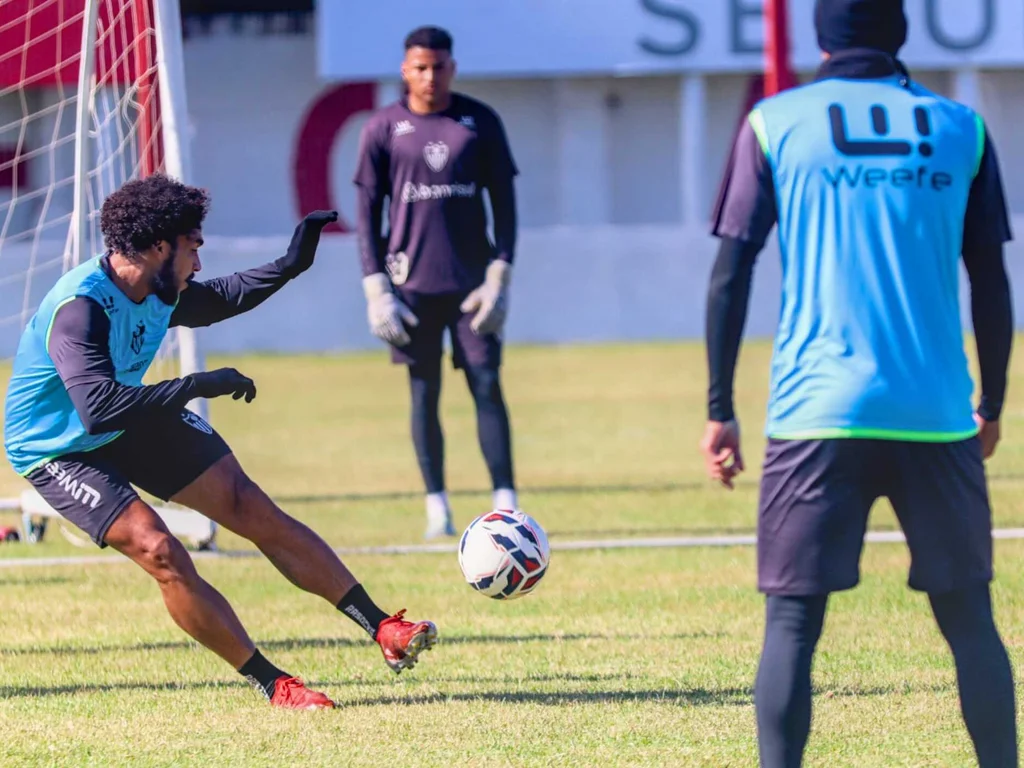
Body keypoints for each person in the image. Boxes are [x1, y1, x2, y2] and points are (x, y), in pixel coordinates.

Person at [700, 1, 1017, 765]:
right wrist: (993, 403)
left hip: (816, 413)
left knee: (792, 626)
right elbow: (992, 281)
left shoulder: (776, 123)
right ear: (899, 31)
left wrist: (720, 408)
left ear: (821, 36)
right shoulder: (961, 128)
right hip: (935, 413)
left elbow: (730, 273)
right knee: (970, 620)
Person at [3, 174, 439, 710]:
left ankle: (382, 627)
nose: (199, 262)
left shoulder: (155, 287)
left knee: (246, 504)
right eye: (193, 248)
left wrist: (290, 265)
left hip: (125, 412)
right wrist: (195, 386)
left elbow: (219, 299)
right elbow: (97, 412)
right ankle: (274, 683)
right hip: (58, 447)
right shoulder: (82, 308)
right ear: (159, 247)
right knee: (160, 550)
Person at [353, 25, 520, 539]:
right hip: (411, 289)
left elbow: (506, 207)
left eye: (439, 66)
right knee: (423, 392)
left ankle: (507, 505)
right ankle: (437, 508)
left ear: (453, 67)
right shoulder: (382, 128)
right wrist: (376, 289)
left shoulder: (479, 121)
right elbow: (366, 215)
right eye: (420, 67)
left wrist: (499, 276)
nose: (430, 76)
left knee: (487, 384)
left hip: (472, 288)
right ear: (405, 70)